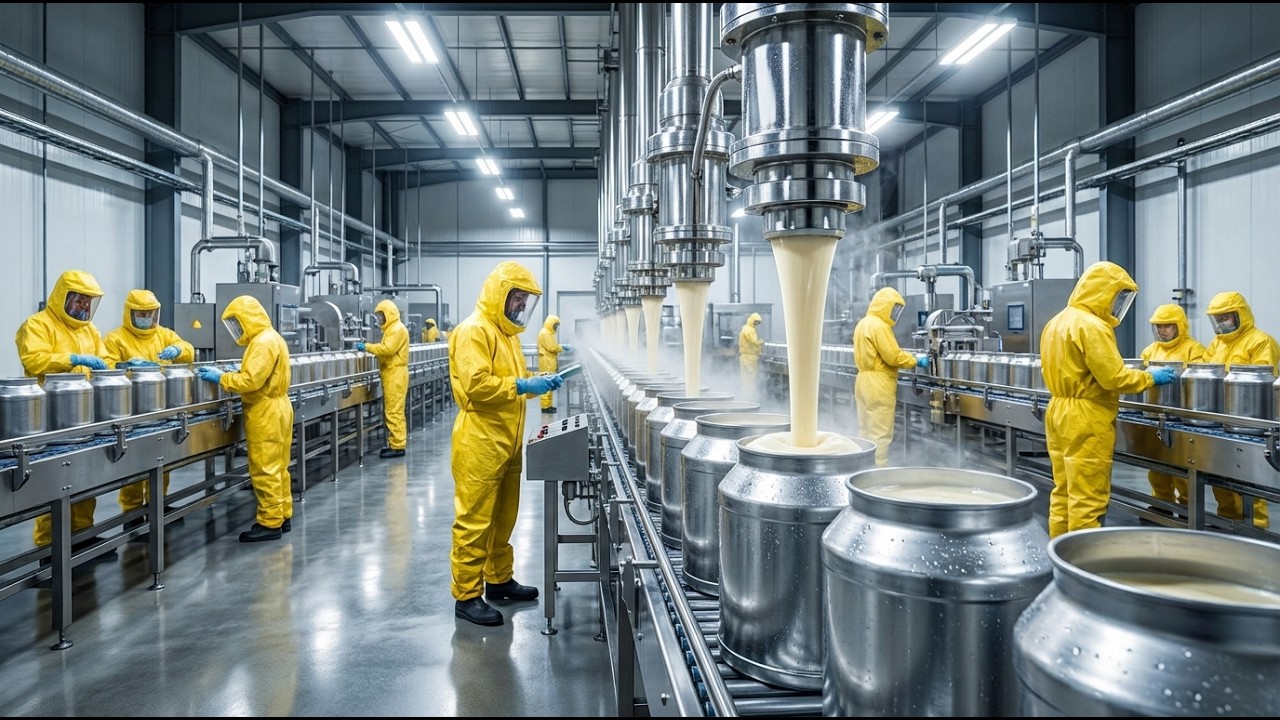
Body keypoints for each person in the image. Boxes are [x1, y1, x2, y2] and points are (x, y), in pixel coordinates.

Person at [448, 261, 563, 626]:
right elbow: (477, 386)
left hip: (508, 440)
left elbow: (513, 381)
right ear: (500, 294)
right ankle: (467, 594)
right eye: (517, 298)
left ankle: (498, 579)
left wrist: (535, 380)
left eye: (525, 300)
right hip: (480, 440)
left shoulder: (507, 335)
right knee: (474, 520)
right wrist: (523, 385)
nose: (521, 306)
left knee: (503, 517)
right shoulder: (474, 331)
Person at [1040, 261, 1175, 539]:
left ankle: (1058, 548)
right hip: (1086, 417)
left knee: (1063, 490)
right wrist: (1150, 377)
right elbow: (1114, 378)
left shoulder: (1056, 322)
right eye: (1117, 296)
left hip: (1058, 411)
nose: (1116, 304)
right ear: (1103, 291)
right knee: (1088, 497)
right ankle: (1082, 557)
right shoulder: (1092, 326)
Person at [14, 269, 113, 551]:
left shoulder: (90, 330)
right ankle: (49, 545)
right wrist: (72, 359)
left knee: (85, 473)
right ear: (63, 297)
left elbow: (104, 359)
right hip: (50, 414)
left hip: (83, 412)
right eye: (79, 300)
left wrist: (111, 367)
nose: (84, 306)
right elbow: (34, 360)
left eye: (88, 302)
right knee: (52, 480)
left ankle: (83, 535)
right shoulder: (38, 325)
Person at [196, 295, 294, 542]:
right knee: (279, 466)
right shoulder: (273, 337)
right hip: (280, 406)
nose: (237, 329)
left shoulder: (262, 342)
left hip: (265, 412)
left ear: (248, 318)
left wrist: (221, 378)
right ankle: (282, 514)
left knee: (264, 468)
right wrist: (237, 372)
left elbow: (250, 381)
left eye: (237, 322)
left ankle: (269, 523)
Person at [103, 289, 196, 530]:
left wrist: (178, 350)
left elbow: (187, 349)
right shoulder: (116, 338)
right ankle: (132, 512)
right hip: (130, 409)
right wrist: (125, 366)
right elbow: (105, 365)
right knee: (132, 462)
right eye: (141, 314)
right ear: (130, 313)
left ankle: (158, 503)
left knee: (161, 458)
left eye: (150, 314)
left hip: (160, 407)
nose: (147, 318)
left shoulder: (164, 334)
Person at [1203, 291, 1279, 530]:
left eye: (1225, 317)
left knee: (1248, 474)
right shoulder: (1216, 344)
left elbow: (1263, 379)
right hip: (1221, 417)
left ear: (1240, 315)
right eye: (1217, 318)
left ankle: (1256, 525)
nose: (1221, 323)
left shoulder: (1260, 341)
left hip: (1250, 419)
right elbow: (1207, 371)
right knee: (1218, 471)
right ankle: (1227, 519)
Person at [1138, 303, 1206, 511]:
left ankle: (1187, 509)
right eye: (1159, 326)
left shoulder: (1194, 350)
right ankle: (1161, 503)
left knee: (1183, 467)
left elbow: (1199, 384)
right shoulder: (1150, 351)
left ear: (1179, 326)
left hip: (1182, 417)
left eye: (1167, 325)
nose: (1162, 330)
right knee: (1157, 465)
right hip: (1154, 414)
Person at [853, 287, 929, 467]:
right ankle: (877, 471)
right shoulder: (880, 326)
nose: (894, 313)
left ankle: (860, 467)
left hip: (862, 380)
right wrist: (915, 360)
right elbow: (892, 356)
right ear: (885, 306)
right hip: (878, 384)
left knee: (864, 431)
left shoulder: (862, 323)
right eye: (894, 308)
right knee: (880, 433)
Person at [357, 299, 409, 458]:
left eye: (381, 315)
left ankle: (398, 446)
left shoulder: (397, 329)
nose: (379, 319)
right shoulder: (391, 329)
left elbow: (387, 349)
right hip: (391, 373)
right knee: (391, 410)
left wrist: (367, 347)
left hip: (396, 374)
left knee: (394, 411)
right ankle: (394, 443)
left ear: (389, 314)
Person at [537, 314, 566, 413]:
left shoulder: (548, 332)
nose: (556, 327)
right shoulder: (545, 333)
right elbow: (552, 347)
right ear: (551, 324)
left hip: (549, 360)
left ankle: (548, 405)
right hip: (547, 362)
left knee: (550, 383)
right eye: (555, 325)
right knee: (546, 382)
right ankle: (545, 407)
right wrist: (562, 347)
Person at [737, 312, 764, 399]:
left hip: (747, 357)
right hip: (749, 358)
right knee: (749, 379)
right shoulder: (749, 330)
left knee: (746, 379)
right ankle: (749, 397)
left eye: (758, 323)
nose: (756, 324)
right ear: (752, 320)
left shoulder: (747, 328)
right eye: (756, 322)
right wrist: (760, 342)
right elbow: (753, 341)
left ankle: (746, 397)